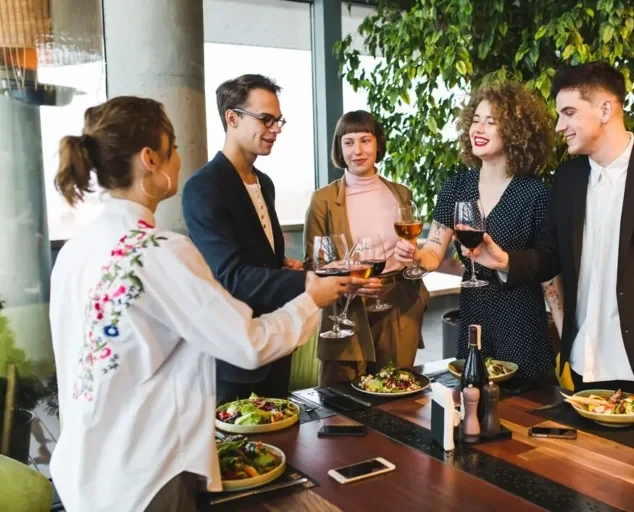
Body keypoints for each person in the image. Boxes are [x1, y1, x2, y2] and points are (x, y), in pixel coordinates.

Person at [49, 96, 350, 511]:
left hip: (82, 471)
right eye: (173, 148)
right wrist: (310, 298)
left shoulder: (76, 249)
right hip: (146, 475)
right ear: (150, 159)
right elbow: (249, 344)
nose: (179, 159)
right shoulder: (161, 251)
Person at [465, 61, 634, 420]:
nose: (559, 126)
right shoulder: (568, 178)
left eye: (568, 112)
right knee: (586, 473)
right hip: (585, 363)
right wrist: (504, 261)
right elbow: (548, 257)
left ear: (605, 109)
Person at [394, 82, 565, 379]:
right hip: (474, 319)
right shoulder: (456, 187)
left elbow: (548, 276)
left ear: (515, 133)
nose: (479, 129)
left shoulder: (536, 194)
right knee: (473, 405)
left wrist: (568, 345)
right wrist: (416, 257)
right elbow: (434, 251)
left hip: (521, 323)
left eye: (491, 121)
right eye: (475, 120)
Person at [183, 74, 306, 403]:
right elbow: (232, 276)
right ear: (232, 118)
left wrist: (282, 265)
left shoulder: (265, 183)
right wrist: (310, 284)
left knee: (283, 443)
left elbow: (259, 256)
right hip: (232, 352)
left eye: (278, 120)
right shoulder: (203, 188)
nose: (276, 128)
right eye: (266, 119)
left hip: (276, 343)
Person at [304, 111, 430, 385]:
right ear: (339, 147)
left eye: (365, 140)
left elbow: (409, 247)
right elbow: (313, 264)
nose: (357, 151)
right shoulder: (323, 200)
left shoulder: (400, 193)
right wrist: (349, 282)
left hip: (398, 303)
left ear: (378, 144)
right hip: (347, 306)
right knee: (341, 397)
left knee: (396, 390)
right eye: (348, 142)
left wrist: (410, 255)